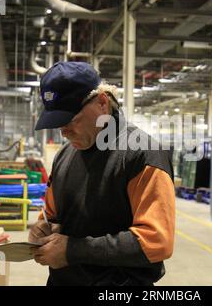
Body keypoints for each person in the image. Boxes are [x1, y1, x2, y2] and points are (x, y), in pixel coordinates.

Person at [29, 61, 176, 286]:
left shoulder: (143, 154)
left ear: (102, 103)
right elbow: (52, 214)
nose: (64, 132)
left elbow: (156, 241)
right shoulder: (65, 155)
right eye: (58, 124)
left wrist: (72, 250)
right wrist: (44, 228)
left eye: (71, 120)